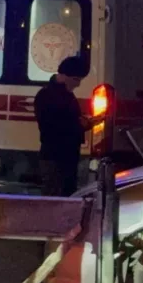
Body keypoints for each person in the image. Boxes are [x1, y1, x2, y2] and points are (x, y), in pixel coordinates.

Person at [34, 56, 97, 197]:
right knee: (56, 200)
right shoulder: (48, 96)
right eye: (76, 79)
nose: (78, 84)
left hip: (65, 157)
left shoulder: (62, 95)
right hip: (56, 158)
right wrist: (81, 125)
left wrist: (82, 123)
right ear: (64, 75)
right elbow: (52, 128)